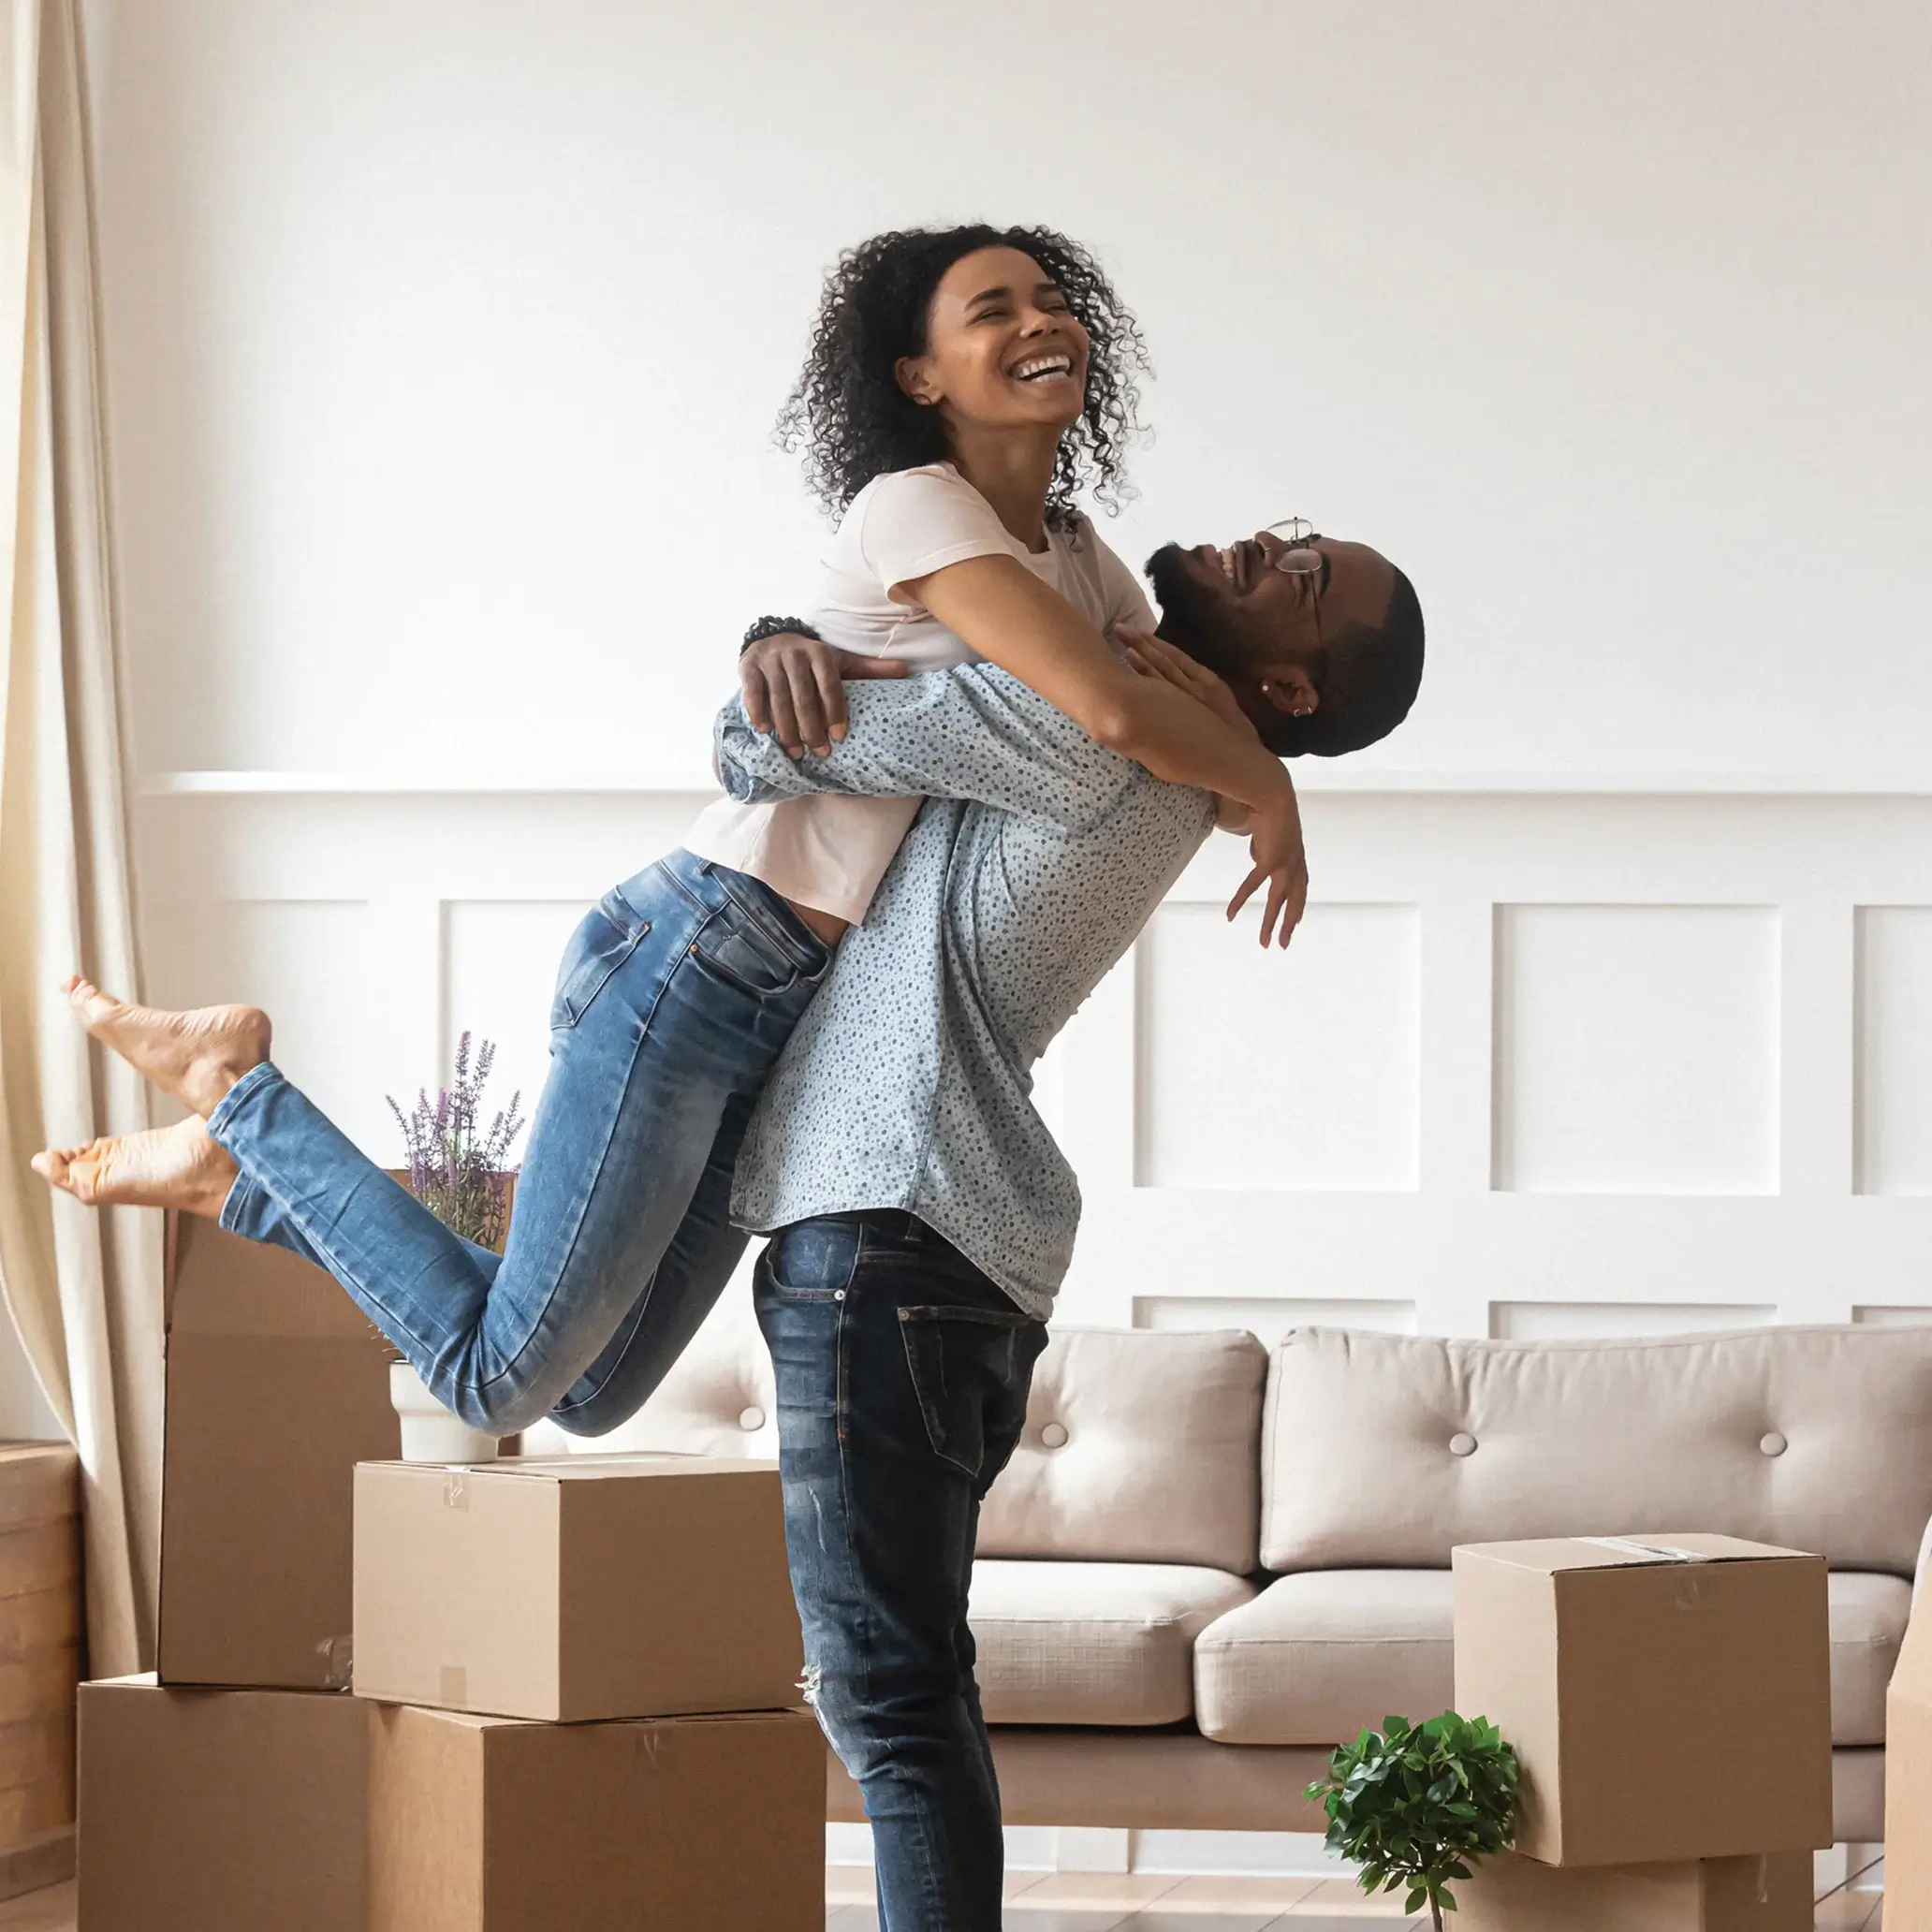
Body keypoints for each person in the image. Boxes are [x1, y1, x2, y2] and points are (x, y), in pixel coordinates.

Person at [30, 224, 1311, 1441]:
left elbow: (1143, 696)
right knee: (497, 1383)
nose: (1044, 322)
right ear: (919, 375)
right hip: (699, 953)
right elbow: (1105, 708)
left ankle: (239, 1178)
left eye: (1051, 300)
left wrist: (1211, 738)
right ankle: (241, 1097)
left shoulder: (1082, 561)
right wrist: (1272, 786)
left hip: (783, 1005)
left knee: (590, 1395)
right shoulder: (918, 507)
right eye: (996, 310)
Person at [712, 522, 1422, 1932]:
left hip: (890, 1221)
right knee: (911, 1690)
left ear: (1284, 689)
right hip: (945, 1248)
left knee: (890, 1701)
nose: (1269, 543)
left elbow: (758, 750)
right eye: (1295, 535)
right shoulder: (1149, 731)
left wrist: (766, 651)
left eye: (1303, 577)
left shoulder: (1096, 722)